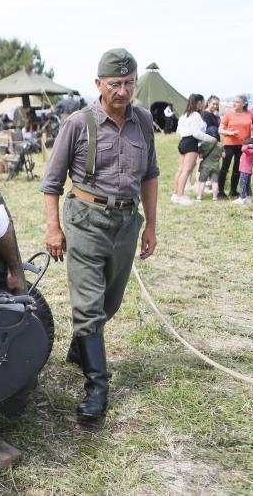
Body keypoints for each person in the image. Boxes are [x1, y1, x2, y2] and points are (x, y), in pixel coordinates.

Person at [41, 48, 159, 422]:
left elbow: (151, 175)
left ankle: (81, 344)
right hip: (86, 219)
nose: (123, 91)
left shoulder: (143, 122)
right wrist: (53, 227)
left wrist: (151, 225)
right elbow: (52, 182)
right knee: (89, 305)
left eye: (129, 83)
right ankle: (97, 388)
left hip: (126, 222)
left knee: (110, 301)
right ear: (98, 84)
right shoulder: (77, 123)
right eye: (115, 84)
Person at [172, 94, 216, 205]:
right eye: (203, 101)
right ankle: (180, 196)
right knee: (186, 171)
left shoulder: (184, 115)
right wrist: (212, 139)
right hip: (191, 143)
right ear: (199, 102)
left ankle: (175, 194)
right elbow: (196, 133)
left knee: (180, 170)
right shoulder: (196, 115)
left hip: (183, 142)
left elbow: (178, 131)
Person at [218, 95, 253, 198]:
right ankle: (220, 191)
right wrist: (229, 133)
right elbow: (220, 130)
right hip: (229, 144)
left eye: (237, 102)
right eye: (234, 101)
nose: (234, 104)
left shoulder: (250, 114)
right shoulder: (229, 114)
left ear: (244, 103)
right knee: (224, 168)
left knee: (238, 169)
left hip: (243, 146)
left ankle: (233, 191)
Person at [195, 132, 222, 202]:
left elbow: (200, 156)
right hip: (215, 166)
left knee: (202, 181)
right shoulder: (220, 145)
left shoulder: (204, 145)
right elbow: (224, 155)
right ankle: (215, 198)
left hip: (205, 166)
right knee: (215, 182)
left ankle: (199, 197)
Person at [233, 138, 253, 204]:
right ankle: (248, 198)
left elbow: (243, 149)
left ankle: (241, 198)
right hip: (246, 170)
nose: (243, 145)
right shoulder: (252, 151)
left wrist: (249, 145)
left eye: (244, 144)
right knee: (247, 185)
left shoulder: (249, 150)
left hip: (245, 170)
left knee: (242, 184)